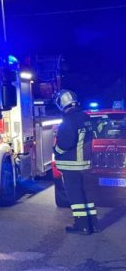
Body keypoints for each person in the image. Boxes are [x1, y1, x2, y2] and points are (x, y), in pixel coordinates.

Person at [53, 89, 99, 234]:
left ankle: (82, 226)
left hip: (72, 165)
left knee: (75, 196)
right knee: (87, 195)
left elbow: (64, 144)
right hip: (86, 164)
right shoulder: (86, 117)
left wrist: (55, 151)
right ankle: (93, 224)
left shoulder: (68, 120)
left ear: (62, 103)